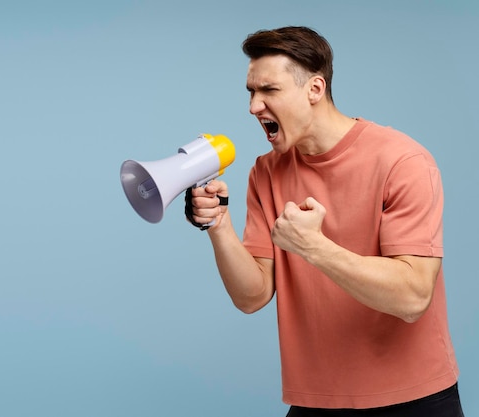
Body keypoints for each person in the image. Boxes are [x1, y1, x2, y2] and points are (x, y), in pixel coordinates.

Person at [185, 26, 464, 416]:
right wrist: (219, 226)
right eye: (251, 91)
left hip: (413, 399)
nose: (253, 106)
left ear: (314, 89)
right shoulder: (266, 172)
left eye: (269, 90)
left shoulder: (403, 162)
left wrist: (314, 247)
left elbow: (414, 297)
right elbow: (252, 296)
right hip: (315, 402)